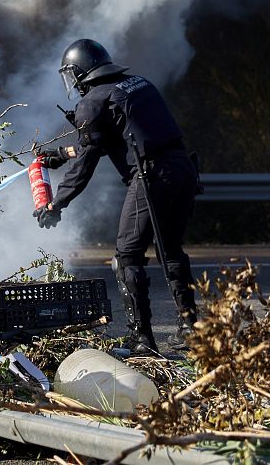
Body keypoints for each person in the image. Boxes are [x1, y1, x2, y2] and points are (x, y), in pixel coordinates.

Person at [34, 38, 199, 354]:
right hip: (182, 168)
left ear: (80, 71)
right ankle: (192, 330)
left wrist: (56, 203)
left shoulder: (92, 101)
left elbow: (87, 163)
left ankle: (143, 340)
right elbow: (109, 140)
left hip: (152, 176)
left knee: (127, 256)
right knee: (171, 250)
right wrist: (61, 154)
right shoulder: (136, 84)